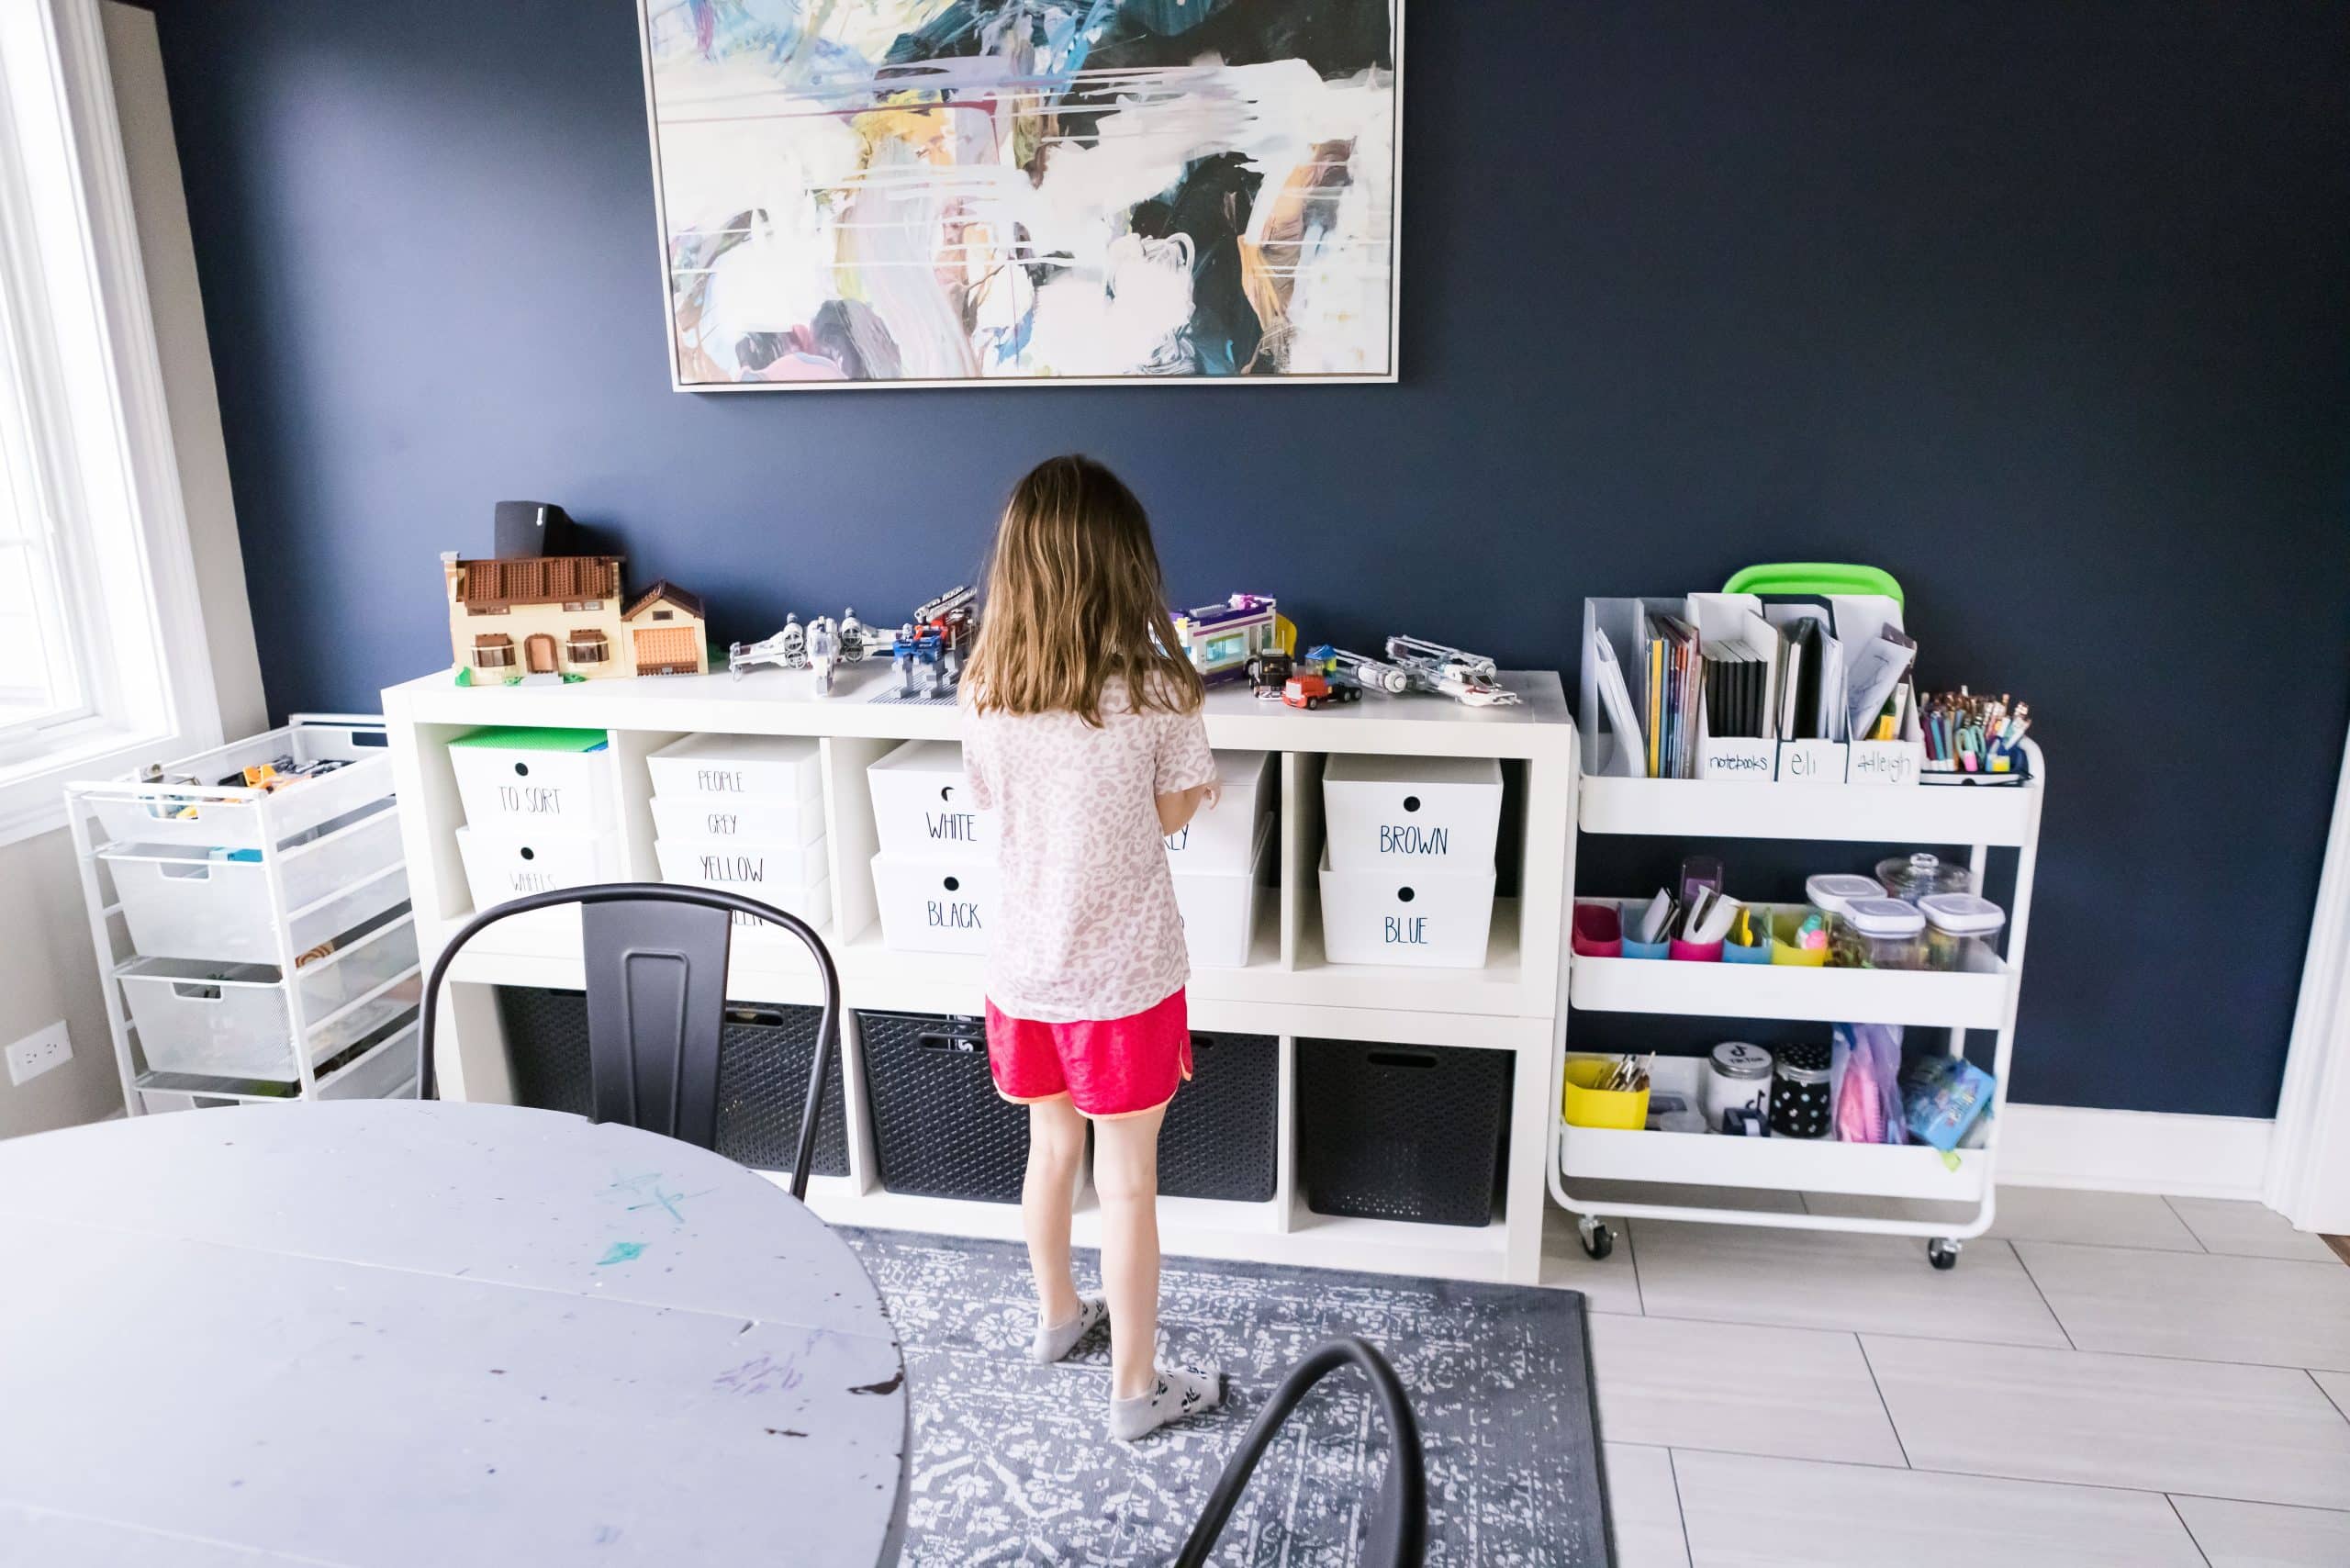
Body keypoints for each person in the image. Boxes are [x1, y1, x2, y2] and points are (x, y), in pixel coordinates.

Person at [959, 454, 1225, 1442]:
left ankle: (1058, 1318)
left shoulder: (985, 686)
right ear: (1127, 568)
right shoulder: (1159, 690)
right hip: (1122, 982)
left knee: (1049, 1149)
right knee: (1128, 1182)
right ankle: (1135, 1389)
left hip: (1024, 973)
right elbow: (1161, 814)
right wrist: (1199, 794)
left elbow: (997, 804)